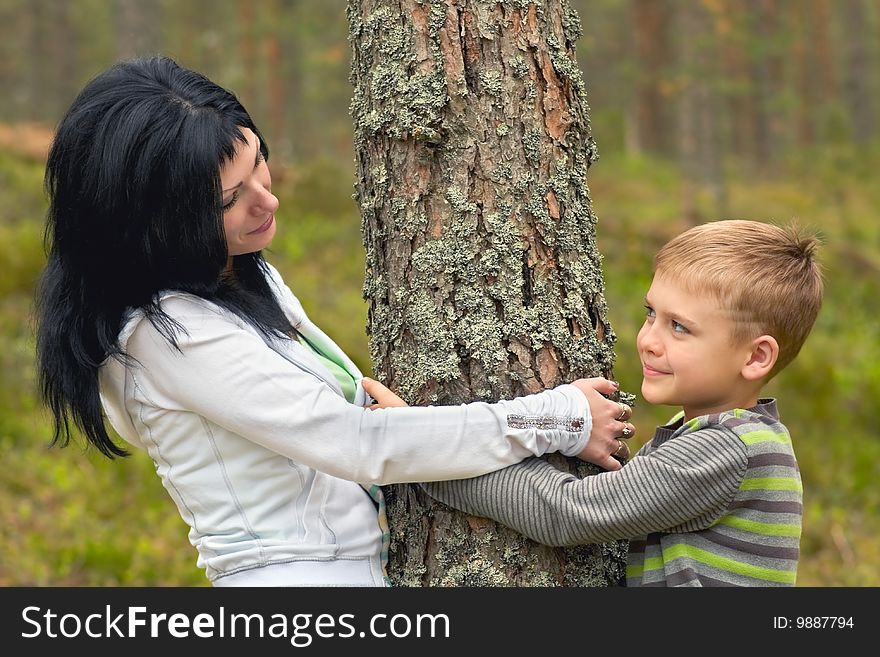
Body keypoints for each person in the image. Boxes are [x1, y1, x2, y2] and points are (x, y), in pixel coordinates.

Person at [33, 55, 633, 587]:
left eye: (258, 162)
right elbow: (356, 444)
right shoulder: (168, 334)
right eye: (228, 199)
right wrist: (559, 419)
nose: (267, 200)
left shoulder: (237, 274)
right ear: (151, 223)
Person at [422, 220, 824, 586]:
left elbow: (566, 513)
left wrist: (425, 454)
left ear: (755, 357)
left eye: (679, 327)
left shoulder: (725, 447)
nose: (649, 339)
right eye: (652, 313)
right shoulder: (732, 434)